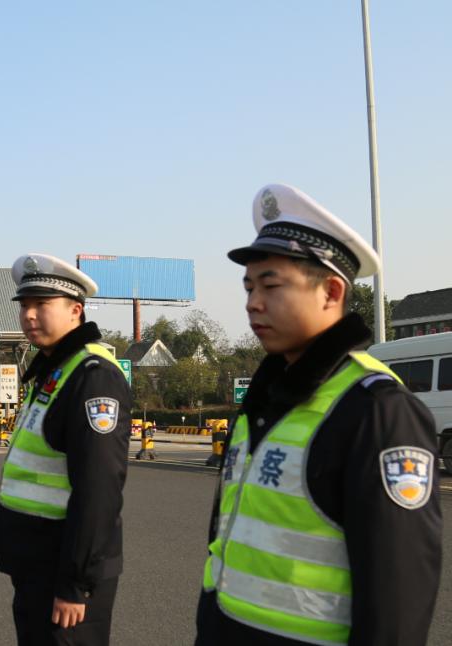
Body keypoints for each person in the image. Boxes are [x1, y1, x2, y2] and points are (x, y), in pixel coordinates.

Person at [196, 184, 442, 645]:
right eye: (248, 287)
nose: (252, 302)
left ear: (331, 291)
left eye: (271, 285)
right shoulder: (266, 398)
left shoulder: (377, 410)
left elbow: (398, 592)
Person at [0, 253, 132, 646]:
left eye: (42, 304)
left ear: (76, 310)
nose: (30, 315)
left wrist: (76, 584)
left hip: (65, 571)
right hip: (37, 564)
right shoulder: (53, 371)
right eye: (25, 305)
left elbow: (99, 489)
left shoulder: (93, 377)